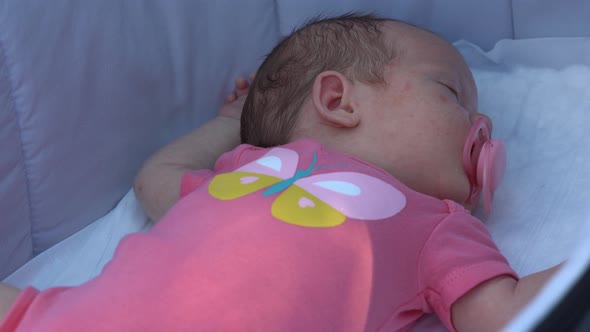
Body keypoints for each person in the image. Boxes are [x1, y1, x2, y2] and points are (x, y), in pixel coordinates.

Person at [0, 14, 560, 332]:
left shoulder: (437, 226)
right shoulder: (250, 169)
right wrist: (233, 123)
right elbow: (158, 178)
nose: (480, 124)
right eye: (452, 93)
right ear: (339, 100)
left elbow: (505, 313)